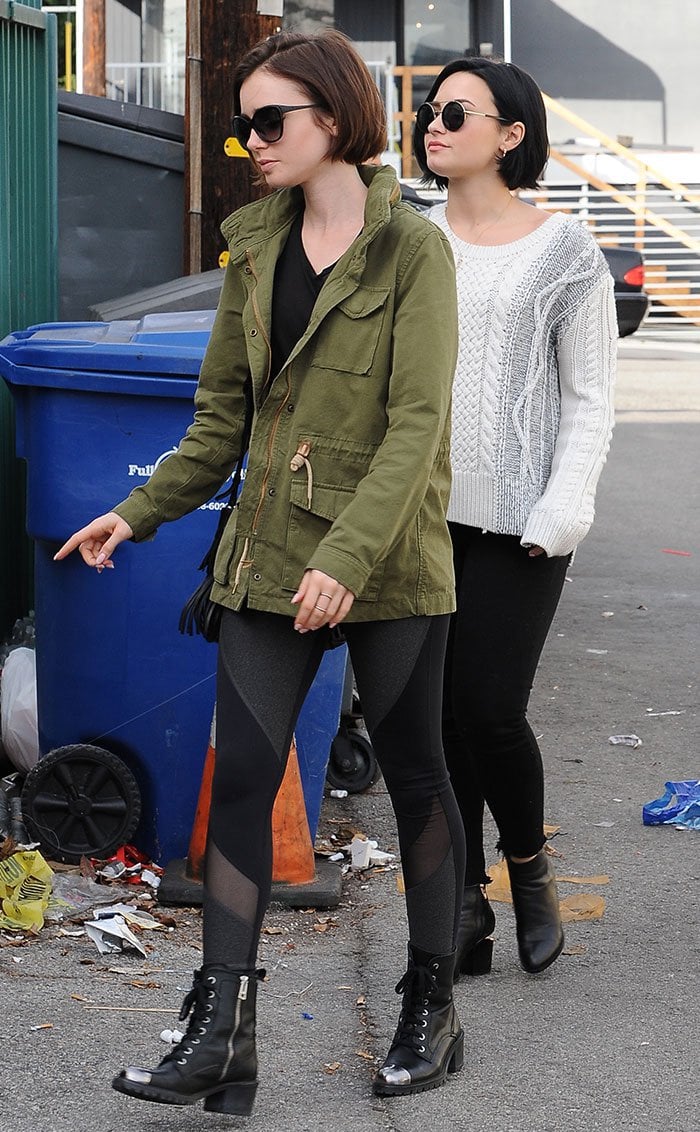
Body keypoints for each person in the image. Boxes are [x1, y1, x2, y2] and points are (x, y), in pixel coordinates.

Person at [56, 30, 466, 1114]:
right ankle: (221, 1029)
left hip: (385, 558)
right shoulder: (254, 247)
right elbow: (220, 420)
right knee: (240, 776)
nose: (249, 142)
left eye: (268, 120)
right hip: (269, 552)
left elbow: (417, 426)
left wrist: (347, 556)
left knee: (417, 771)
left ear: (333, 117)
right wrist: (134, 511)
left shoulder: (411, 253)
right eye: (243, 121)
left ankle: (432, 1002)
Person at [413, 57, 616, 979]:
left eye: (456, 110)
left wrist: (562, 507)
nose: (433, 121)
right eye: (428, 108)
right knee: (434, 722)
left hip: (523, 522)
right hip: (416, 519)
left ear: (512, 134)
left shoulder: (567, 250)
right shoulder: (410, 240)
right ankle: (460, 907)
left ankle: (527, 868)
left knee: (491, 711)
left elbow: (590, 399)